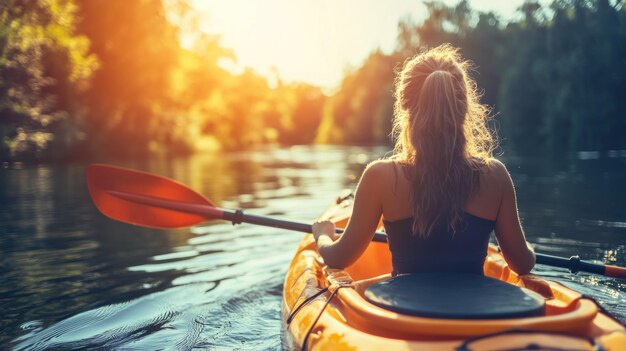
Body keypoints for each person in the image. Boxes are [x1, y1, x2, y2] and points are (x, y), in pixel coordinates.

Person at [312, 44, 535, 276]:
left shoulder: (380, 177)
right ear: (463, 108)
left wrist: (323, 235)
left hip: (402, 309)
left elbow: (338, 258)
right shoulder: (495, 176)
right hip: (476, 312)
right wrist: (529, 248)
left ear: (405, 108)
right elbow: (522, 264)